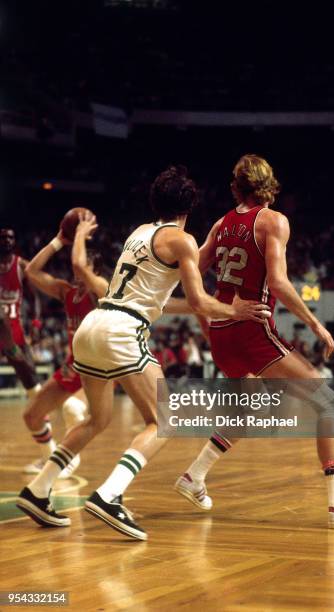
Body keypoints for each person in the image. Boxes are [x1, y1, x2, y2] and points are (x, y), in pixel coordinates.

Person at [17, 165, 270, 539]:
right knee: (167, 419)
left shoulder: (139, 232)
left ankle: (38, 490)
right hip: (123, 330)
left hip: (92, 326)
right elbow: (199, 301)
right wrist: (236, 310)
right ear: (190, 207)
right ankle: (110, 494)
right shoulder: (182, 241)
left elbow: (163, 286)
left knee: (96, 420)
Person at [175, 154, 334, 529]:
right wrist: (316, 323)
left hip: (222, 332)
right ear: (269, 184)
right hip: (252, 328)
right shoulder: (274, 221)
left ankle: (194, 475)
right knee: (328, 399)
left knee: (247, 409)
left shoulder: (221, 224)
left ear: (235, 186)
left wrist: (207, 315)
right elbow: (281, 283)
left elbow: (190, 271)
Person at [21, 212, 108, 478]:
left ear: (95, 271)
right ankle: (51, 460)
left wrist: (80, 235)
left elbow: (80, 265)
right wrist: (59, 240)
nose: (78, 272)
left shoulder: (103, 290)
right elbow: (31, 271)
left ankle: (69, 459)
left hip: (96, 369)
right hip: (72, 367)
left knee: (72, 407)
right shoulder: (67, 291)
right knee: (32, 417)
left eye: (84, 268)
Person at [0, 228, 41, 397]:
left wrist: (36, 324)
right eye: (3, 238)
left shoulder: (22, 265)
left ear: (14, 241)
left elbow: (35, 298)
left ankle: (43, 418)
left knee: (30, 374)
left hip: (15, 327)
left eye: (10, 237)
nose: (7, 240)